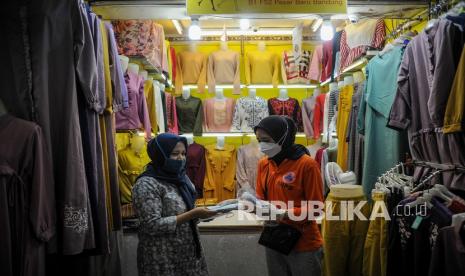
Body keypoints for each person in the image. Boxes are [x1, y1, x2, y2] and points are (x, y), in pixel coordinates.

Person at [132, 133, 217, 276]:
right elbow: (151, 225)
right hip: (162, 257)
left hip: (188, 253)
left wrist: (216, 210)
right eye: (175, 154)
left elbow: (189, 211)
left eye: (184, 153)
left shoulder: (181, 179)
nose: (181, 158)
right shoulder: (147, 184)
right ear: (160, 155)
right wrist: (193, 214)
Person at [254, 115, 324, 276]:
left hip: (304, 244)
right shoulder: (264, 164)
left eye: (266, 140)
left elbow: (317, 208)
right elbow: (261, 198)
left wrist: (284, 213)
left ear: (282, 138)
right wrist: (254, 205)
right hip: (274, 239)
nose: (262, 145)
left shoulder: (307, 165)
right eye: (259, 140)